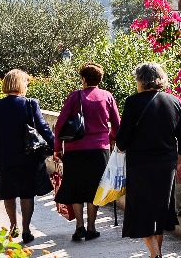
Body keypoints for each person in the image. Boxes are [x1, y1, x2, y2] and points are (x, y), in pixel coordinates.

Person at [115, 62, 181, 258]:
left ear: (141, 80)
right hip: (166, 165)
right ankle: (155, 254)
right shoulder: (174, 102)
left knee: (141, 211)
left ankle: (156, 255)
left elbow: (122, 140)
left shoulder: (133, 102)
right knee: (159, 211)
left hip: (140, 165)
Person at [52, 62, 121, 242]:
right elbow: (117, 124)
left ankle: (79, 227)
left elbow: (60, 124)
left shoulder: (75, 97)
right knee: (94, 188)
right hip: (99, 149)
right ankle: (91, 227)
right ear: (99, 79)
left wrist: (57, 148)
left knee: (76, 186)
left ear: (83, 79)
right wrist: (111, 137)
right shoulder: (107, 96)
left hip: (75, 149)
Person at [0, 69, 54, 244]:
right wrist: (56, 147)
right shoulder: (30, 104)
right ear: (19, 84)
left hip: (4, 156)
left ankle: (13, 226)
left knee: (8, 192)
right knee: (27, 193)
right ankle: (26, 229)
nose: (26, 85)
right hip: (28, 156)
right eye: (25, 82)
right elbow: (43, 128)